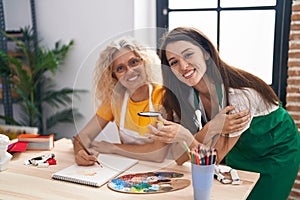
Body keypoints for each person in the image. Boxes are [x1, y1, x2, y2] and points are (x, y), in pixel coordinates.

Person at [148, 27, 300, 200]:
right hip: (241, 146)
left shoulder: (239, 96)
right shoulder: (188, 96)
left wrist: (186, 137)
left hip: (276, 151)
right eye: (174, 62)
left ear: (206, 53)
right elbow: (179, 158)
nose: (183, 66)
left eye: (188, 55)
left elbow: (213, 159)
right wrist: (211, 128)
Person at [73, 37, 177, 166]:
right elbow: (82, 137)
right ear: (113, 76)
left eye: (133, 62)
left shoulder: (164, 96)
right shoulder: (115, 100)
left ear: (145, 62)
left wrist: (113, 147)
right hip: (128, 170)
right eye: (120, 68)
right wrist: (79, 153)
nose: (130, 71)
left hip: (166, 172)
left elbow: (157, 154)